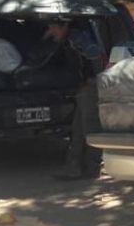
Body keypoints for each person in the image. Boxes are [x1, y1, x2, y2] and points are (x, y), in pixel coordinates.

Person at [44, 20, 107, 180]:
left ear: (64, 26)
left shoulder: (76, 38)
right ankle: (74, 168)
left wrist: (95, 79)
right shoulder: (70, 39)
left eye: (53, 28)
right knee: (78, 129)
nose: (52, 32)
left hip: (89, 87)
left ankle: (93, 168)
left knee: (90, 128)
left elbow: (95, 54)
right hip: (83, 88)